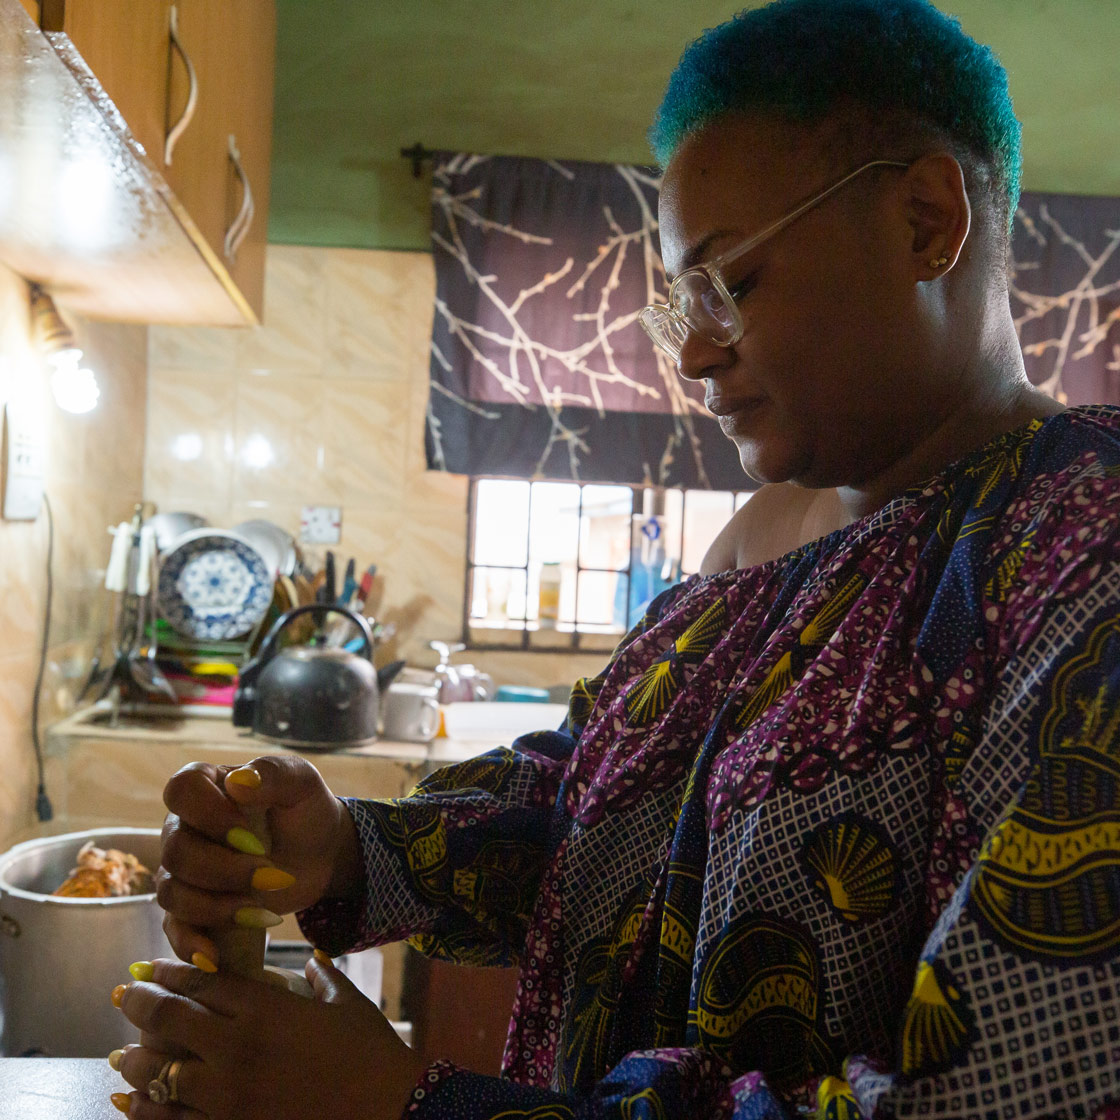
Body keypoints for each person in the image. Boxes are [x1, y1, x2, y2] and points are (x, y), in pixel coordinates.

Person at [108, 1, 1120, 1117]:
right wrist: (346, 851)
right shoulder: (760, 537)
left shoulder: (1080, 548)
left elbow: (1007, 1097)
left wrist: (399, 1101)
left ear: (928, 220)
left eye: (729, 281)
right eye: (679, 301)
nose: (689, 352)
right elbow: (595, 799)